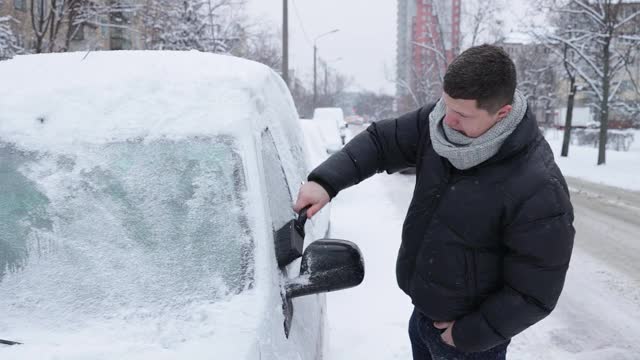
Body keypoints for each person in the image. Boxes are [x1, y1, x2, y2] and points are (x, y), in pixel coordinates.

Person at [294, 44, 575, 359]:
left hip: (469, 343)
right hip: (423, 317)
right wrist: (325, 182)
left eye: (462, 115)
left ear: (502, 114)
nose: (447, 119)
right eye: (446, 104)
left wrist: (466, 335)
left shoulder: (537, 184)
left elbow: (535, 293)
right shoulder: (437, 123)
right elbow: (381, 142)